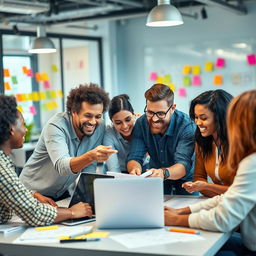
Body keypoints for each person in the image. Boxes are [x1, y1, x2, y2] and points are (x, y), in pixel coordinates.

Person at [164, 90, 256, 255]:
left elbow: (224, 219)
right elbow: (229, 195)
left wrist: (177, 219)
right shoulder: (250, 158)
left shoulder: (252, 162)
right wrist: (182, 211)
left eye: (233, 119)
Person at [0, 95, 92, 226]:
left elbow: (8, 192)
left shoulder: (4, 162)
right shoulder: (1, 168)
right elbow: (34, 213)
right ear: (11, 129)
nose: (26, 129)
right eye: (23, 124)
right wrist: (72, 212)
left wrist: (32, 195)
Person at [20, 83, 117, 202]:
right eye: (88, 116)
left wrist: (89, 200)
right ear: (73, 112)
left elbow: (88, 170)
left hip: (60, 194)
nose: (93, 122)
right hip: (30, 194)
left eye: (98, 116)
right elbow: (62, 166)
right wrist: (91, 156)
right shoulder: (55, 126)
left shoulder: (99, 126)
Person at [127, 83, 196, 195]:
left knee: (185, 210)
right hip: (155, 177)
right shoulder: (141, 123)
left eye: (160, 113)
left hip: (185, 179)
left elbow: (183, 165)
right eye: (150, 112)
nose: (154, 119)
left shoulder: (187, 126)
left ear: (172, 108)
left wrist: (163, 173)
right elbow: (135, 156)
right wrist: (134, 169)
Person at [182, 90, 235, 197]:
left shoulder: (241, 144)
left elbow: (242, 191)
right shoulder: (202, 141)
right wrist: (202, 187)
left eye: (204, 118)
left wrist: (207, 186)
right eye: (196, 117)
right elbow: (199, 178)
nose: (198, 123)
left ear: (221, 117)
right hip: (222, 204)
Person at [103, 94, 136, 173]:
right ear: (112, 122)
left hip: (140, 171)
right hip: (117, 173)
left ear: (134, 115)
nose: (125, 126)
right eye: (118, 123)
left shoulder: (141, 127)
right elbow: (114, 169)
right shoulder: (108, 133)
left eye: (128, 120)